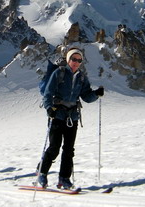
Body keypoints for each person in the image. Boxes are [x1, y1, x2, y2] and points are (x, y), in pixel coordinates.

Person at [38, 48, 104, 189]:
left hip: (72, 117)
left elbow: (86, 96)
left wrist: (96, 94)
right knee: (54, 147)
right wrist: (49, 108)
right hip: (57, 115)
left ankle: (64, 178)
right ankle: (41, 173)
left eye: (79, 60)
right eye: (73, 59)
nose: (76, 62)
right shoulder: (59, 73)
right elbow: (48, 93)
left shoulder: (81, 77)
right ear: (68, 60)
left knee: (69, 149)